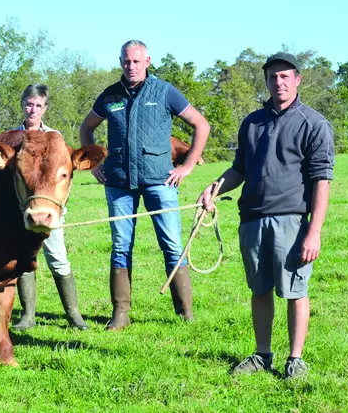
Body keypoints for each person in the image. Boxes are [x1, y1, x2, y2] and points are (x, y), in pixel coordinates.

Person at [197, 52, 334, 380]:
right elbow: (239, 169)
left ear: (297, 80)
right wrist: (212, 189)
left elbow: (322, 181)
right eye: (273, 77)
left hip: (291, 220)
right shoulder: (252, 122)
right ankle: (262, 355)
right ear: (267, 82)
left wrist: (314, 232)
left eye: (285, 76)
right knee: (259, 291)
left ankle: (296, 359)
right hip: (252, 220)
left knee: (295, 291)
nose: (279, 82)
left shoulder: (313, 123)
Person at [79, 40, 210, 331]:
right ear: (120, 62)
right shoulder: (110, 95)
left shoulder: (165, 91)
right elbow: (86, 128)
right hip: (119, 183)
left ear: (148, 61)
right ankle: (120, 314)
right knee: (120, 246)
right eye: (126, 61)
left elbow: (201, 125)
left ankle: (185, 312)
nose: (131, 66)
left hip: (159, 182)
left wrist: (187, 165)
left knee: (173, 245)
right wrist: (94, 163)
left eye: (137, 61)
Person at [12, 84, 89, 331]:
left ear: (45, 108)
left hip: (50, 211)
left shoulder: (55, 138)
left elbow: (64, 176)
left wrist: (59, 209)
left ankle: (73, 314)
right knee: (24, 259)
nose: (32, 109)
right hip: (23, 212)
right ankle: (27, 316)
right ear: (22, 104)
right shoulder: (13, 137)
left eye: (38, 105)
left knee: (57, 257)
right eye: (29, 104)